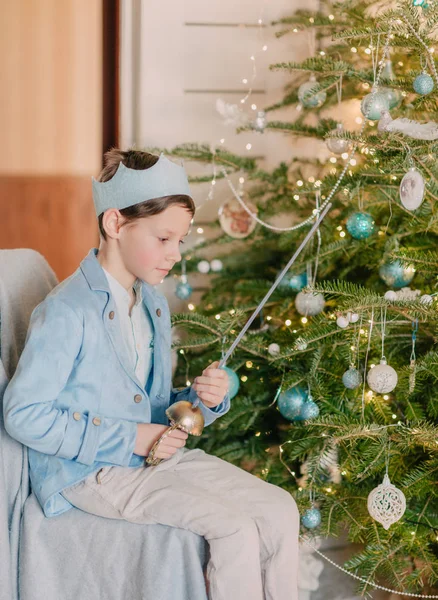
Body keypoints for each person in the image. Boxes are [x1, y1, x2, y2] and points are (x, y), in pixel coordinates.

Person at [3, 148, 300, 600]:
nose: (175, 254)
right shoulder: (67, 311)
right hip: (89, 473)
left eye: (180, 240)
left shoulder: (153, 304)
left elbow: (152, 406)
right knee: (233, 528)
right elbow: (23, 414)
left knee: (279, 508)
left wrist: (203, 399)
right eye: (164, 239)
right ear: (115, 224)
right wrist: (131, 438)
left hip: (150, 461)